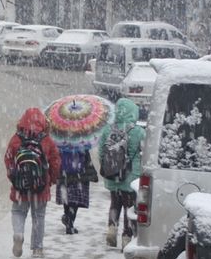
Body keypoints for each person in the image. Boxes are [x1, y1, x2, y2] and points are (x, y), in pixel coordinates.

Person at [4, 108, 60, 258]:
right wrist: (52, 180)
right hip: (40, 187)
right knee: (38, 216)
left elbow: (8, 159)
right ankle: (37, 248)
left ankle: (18, 234)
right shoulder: (46, 139)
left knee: (18, 211)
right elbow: (55, 162)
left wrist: (14, 177)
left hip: (20, 186)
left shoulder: (16, 139)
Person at [99, 98, 145, 250]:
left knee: (114, 203)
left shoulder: (108, 130)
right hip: (131, 176)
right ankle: (126, 236)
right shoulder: (138, 132)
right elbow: (145, 154)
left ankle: (112, 228)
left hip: (113, 174)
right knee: (129, 207)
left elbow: (101, 152)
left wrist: (109, 166)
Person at [55, 144, 98, 234]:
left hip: (64, 173)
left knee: (66, 198)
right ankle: (69, 222)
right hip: (79, 175)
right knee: (75, 201)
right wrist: (92, 174)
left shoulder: (61, 141)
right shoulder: (81, 141)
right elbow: (87, 159)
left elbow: (57, 158)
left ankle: (68, 219)